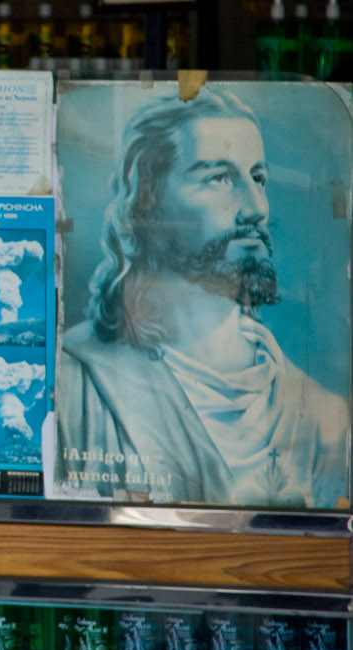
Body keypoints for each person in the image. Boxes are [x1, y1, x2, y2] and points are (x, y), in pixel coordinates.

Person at [56, 87, 347, 506]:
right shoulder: (76, 388)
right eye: (219, 177)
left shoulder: (323, 420)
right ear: (149, 202)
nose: (255, 208)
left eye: (258, 178)